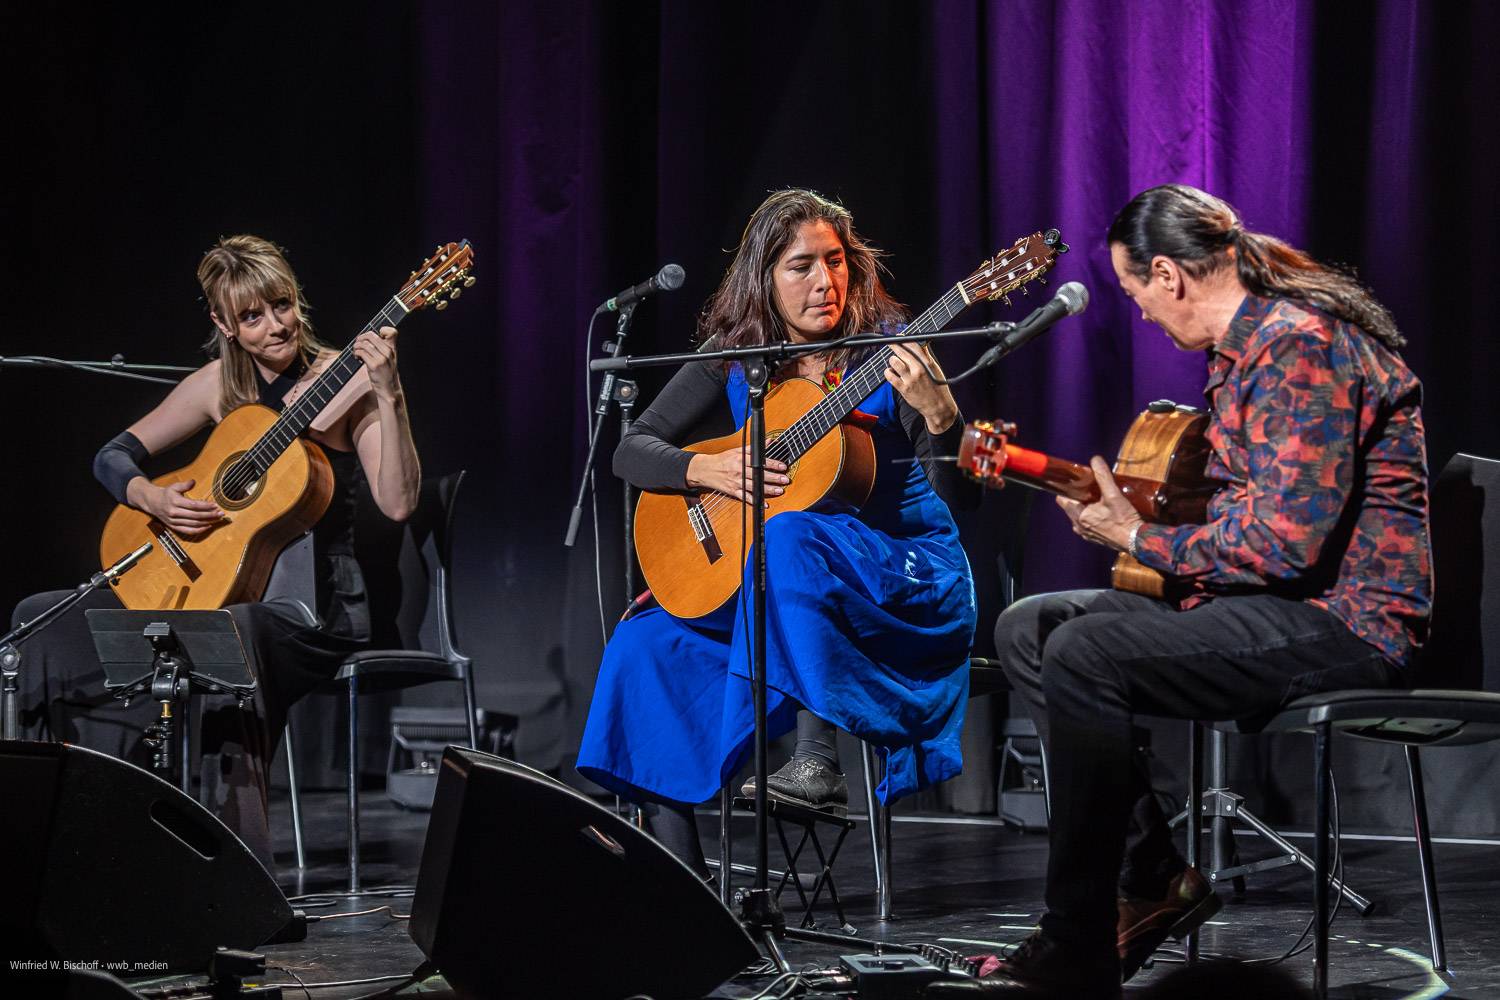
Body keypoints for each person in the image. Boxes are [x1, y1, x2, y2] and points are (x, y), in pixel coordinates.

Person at [963, 185, 1431, 998]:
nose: (1142, 313)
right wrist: (1133, 515)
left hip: (1346, 620)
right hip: (1270, 604)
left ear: (1169, 275)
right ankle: (1153, 875)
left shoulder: (1299, 346)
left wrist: (1138, 538)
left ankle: (1079, 940)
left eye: (1135, 291)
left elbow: (1286, 546)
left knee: (1084, 650)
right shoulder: (1244, 352)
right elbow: (1247, 520)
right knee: (1031, 628)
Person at [576, 188, 979, 875]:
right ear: (763, 277)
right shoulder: (740, 353)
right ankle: (682, 886)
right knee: (646, 643)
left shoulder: (889, 351)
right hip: (778, 579)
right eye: (801, 266)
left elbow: (960, 505)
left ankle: (818, 761)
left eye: (835, 261)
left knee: (789, 534)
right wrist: (706, 469)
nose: (825, 281)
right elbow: (631, 450)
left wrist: (943, 418)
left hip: (901, 573)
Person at [11, 234, 420, 865]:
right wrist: (151, 497)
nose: (275, 325)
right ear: (224, 324)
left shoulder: (348, 380)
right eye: (252, 316)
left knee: (230, 634)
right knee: (39, 622)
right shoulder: (217, 386)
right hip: (205, 591)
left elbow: (398, 502)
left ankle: (230, 870)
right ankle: (55, 841)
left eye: (282, 305)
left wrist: (389, 395)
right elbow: (113, 457)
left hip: (307, 609)